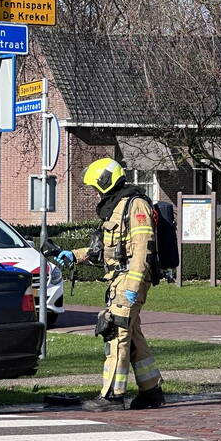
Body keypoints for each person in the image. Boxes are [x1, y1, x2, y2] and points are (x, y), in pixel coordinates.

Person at [56, 158, 165, 411]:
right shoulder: (116, 206)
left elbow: (142, 249)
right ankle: (152, 392)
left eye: (96, 186)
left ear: (106, 181)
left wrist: (133, 286)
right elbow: (106, 249)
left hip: (129, 280)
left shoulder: (135, 205)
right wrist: (75, 254)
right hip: (119, 279)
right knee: (132, 335)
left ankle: (113, 396)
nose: (95, 192)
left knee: (115, 332)